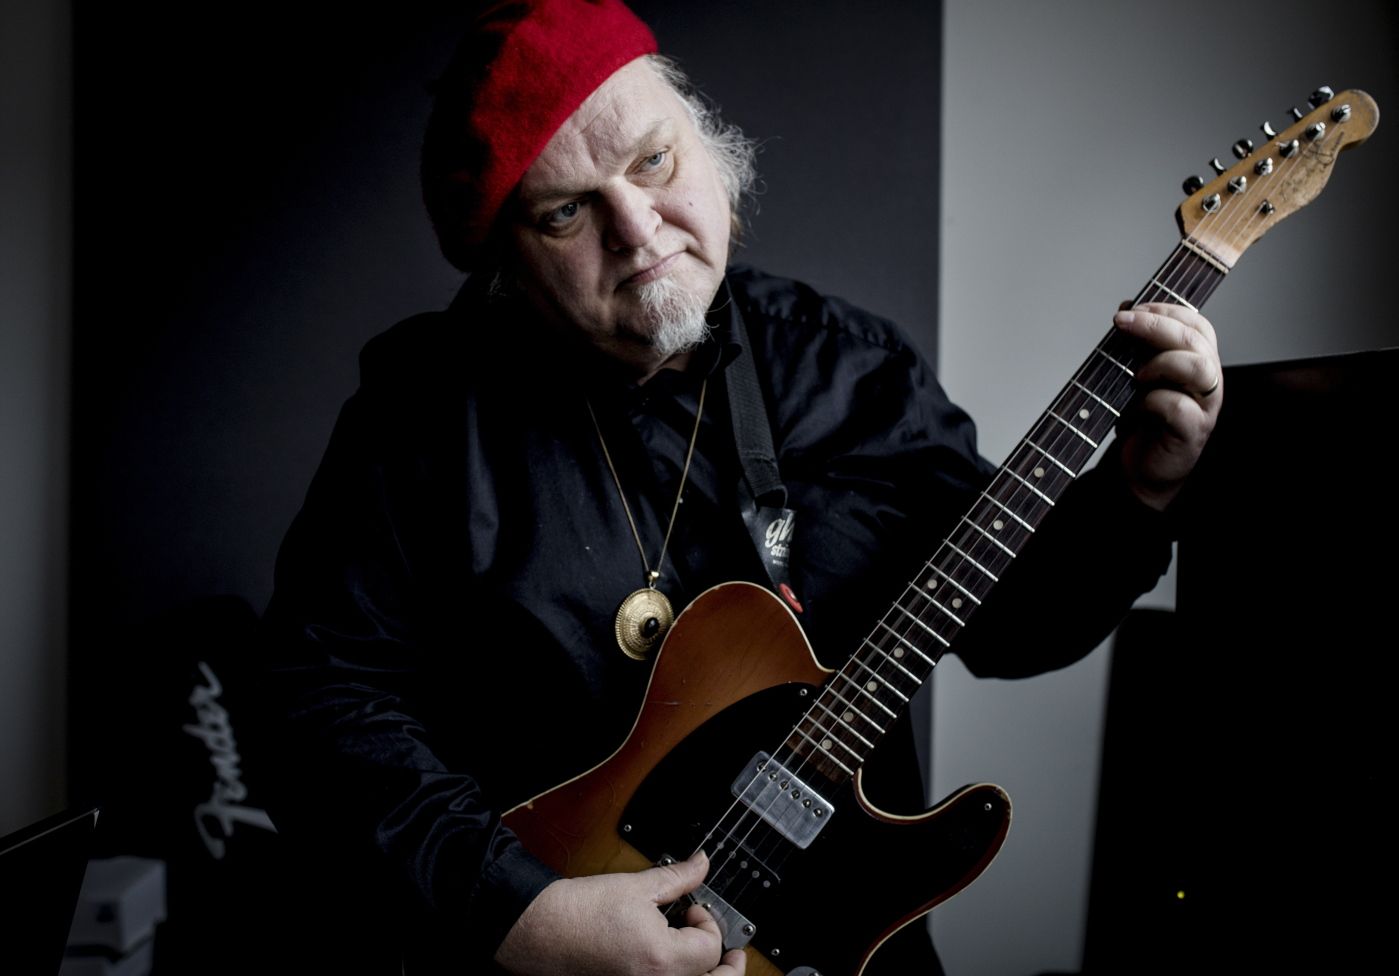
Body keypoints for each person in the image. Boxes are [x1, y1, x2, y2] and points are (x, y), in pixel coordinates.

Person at [257, 2, 1222, 974]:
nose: (637, 230)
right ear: (508, 263)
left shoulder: (849, 369)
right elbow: (320, 703)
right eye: (565, 211)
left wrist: (1137, 494)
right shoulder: (420, 415)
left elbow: (1012, 627)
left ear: (712, 153)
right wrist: (522, 913)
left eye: (651, 161)